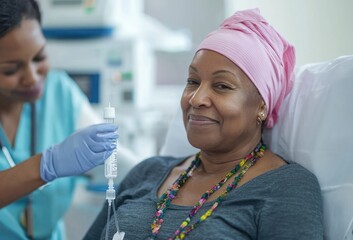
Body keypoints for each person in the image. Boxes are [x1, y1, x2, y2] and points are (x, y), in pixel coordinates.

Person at [84, 8, 323, 240]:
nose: (196, 98)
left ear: (261, 105)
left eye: (222, 86)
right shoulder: (148, 172)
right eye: (192, 81)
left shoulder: (286, 187)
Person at [0, 0, 122, 239]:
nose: (32, 78)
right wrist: (47, 165)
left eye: (39, 57)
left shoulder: (59, 91)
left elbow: (114, 158)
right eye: (11, 70)